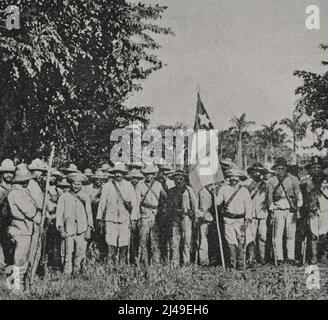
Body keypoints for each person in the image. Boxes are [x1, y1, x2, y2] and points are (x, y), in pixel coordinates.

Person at [97, 163, 138, 265]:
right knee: (111, 242)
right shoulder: (107, 186)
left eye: (120, 173)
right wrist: (100, 219)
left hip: (124, 218)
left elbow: (134, 203)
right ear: (113, 174)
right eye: (116, 173)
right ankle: (111, 265)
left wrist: (133, 219)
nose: (118, 175)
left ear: (123, 174)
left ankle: (122, 266)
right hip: (110, 218)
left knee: (124, 243)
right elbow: (102, 203)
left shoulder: (129, 186)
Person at [7, 164, 38, 290]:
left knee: (17, 259)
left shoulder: (14, 192)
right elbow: (30, 211)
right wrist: (39, 217)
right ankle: (16, 288)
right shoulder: (19, 194)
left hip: (17, 228)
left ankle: (14, 286)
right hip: (22, 230)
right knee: (20, 260)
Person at [267, 157, 303, 265]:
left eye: (283, 168)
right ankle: (279, 258)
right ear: (276, 169)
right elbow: (269, 195)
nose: (280, 171)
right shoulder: (272, 180)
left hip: (290, 208)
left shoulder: (293, 179)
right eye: (278, 168)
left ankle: (290, 257)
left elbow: (297, 192)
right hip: (278, 208)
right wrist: (271, 205)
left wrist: (299, 203)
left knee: (290, 233)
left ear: (286, 169)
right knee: (278, 234)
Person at [56, 172, 93, 275]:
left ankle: (77, 272)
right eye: (74, 184)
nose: (76, 186)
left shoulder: (85, 197)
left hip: (82, 229)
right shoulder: (64, 196)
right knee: (67, 252)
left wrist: (89, 229)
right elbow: (59, 213)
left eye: (79, 184)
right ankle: (67, 273)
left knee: (80, 253)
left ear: (82, 185)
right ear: (70, 184)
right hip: (69, 229)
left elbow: (89, 214)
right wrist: (61, 228)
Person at [216, 169, 253, 270]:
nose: (233, 179)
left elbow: (249, 207)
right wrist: (213, 193)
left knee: (241, 242)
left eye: (236, 177)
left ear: (239, 178)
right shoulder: (224, 189)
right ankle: (232, 263)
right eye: (231, 176)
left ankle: (241, 263)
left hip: (240, 220)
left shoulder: (244, 190)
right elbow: (218, 202)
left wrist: (247, 220)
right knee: (230, 242)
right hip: (228, 219)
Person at [135, 165, 166, 267]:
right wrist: (137, 217)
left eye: (150, 174)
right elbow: (136, 203)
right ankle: (144, 263)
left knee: (155, 240)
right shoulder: (140, 185)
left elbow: (165, 197)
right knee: (143, 241)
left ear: (153, 175)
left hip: (155, 215)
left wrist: (162, 210)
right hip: (144, 215)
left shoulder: (158, 184)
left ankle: (156, 263)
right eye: (146, 174)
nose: (148, 176)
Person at [167, 170, 198, 266]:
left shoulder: (189, 190)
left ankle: (186, 261)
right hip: (175, 218)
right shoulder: (171, 191)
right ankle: (175, 262)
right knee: (174, 241)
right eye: (176, 179)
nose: (179, 181)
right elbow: (168, 206)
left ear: (184, 179)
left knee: (186, 240)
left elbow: (194, 205)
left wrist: (195, 218)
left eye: (181, 179)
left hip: (186, 217)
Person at [301, 156, 325, 264]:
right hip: (312, 210)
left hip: (325, 209)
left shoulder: (326, 179)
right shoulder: (306, 180)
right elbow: (302, 196)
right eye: (314, 167)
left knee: (324, 233)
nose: (316, 169)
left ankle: (323, 255)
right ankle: (314, 257)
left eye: (318, 167)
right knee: (313, 233)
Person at [27, 158, 48, 277]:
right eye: (38, 171)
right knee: (34, 247)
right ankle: (31, 273)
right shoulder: (32, 184)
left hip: (36, 218)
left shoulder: (35, 184)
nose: (40, 174)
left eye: (41, 172)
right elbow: (40, 203)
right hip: (35, 218)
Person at [246, 163, 269, 265]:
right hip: (251, 215)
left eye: (259, 171)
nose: (257, 173)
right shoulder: (246, 184)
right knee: (251, 237)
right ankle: (251, 258)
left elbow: (269, 199)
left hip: (263, 214)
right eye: (255, 170)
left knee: (262, 237)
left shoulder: (266, 185)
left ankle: (262, 258)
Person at [0, 159, 15, 273]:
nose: (9, 175)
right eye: (6, 172)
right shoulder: (0, 189)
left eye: (11, 172)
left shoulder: (14, 188)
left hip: (13, 222)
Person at [126, 169, 144, 265]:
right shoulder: (127, 187)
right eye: (133, 178)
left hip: (139, 216)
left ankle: (137, 259)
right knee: (129, 240)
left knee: (138, 239)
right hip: (129, 217)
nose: (135, 180)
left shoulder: (140, 187)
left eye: (137, 178)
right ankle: (130, 260)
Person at [197, 184, 215, 266]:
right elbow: (200, 207)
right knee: (203, 239)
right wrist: (201, 215)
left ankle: (210, 258)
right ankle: (203, 260)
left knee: (209, 239)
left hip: (211, 218)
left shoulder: (211, 192)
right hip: (203, 218)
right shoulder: (201, 191)